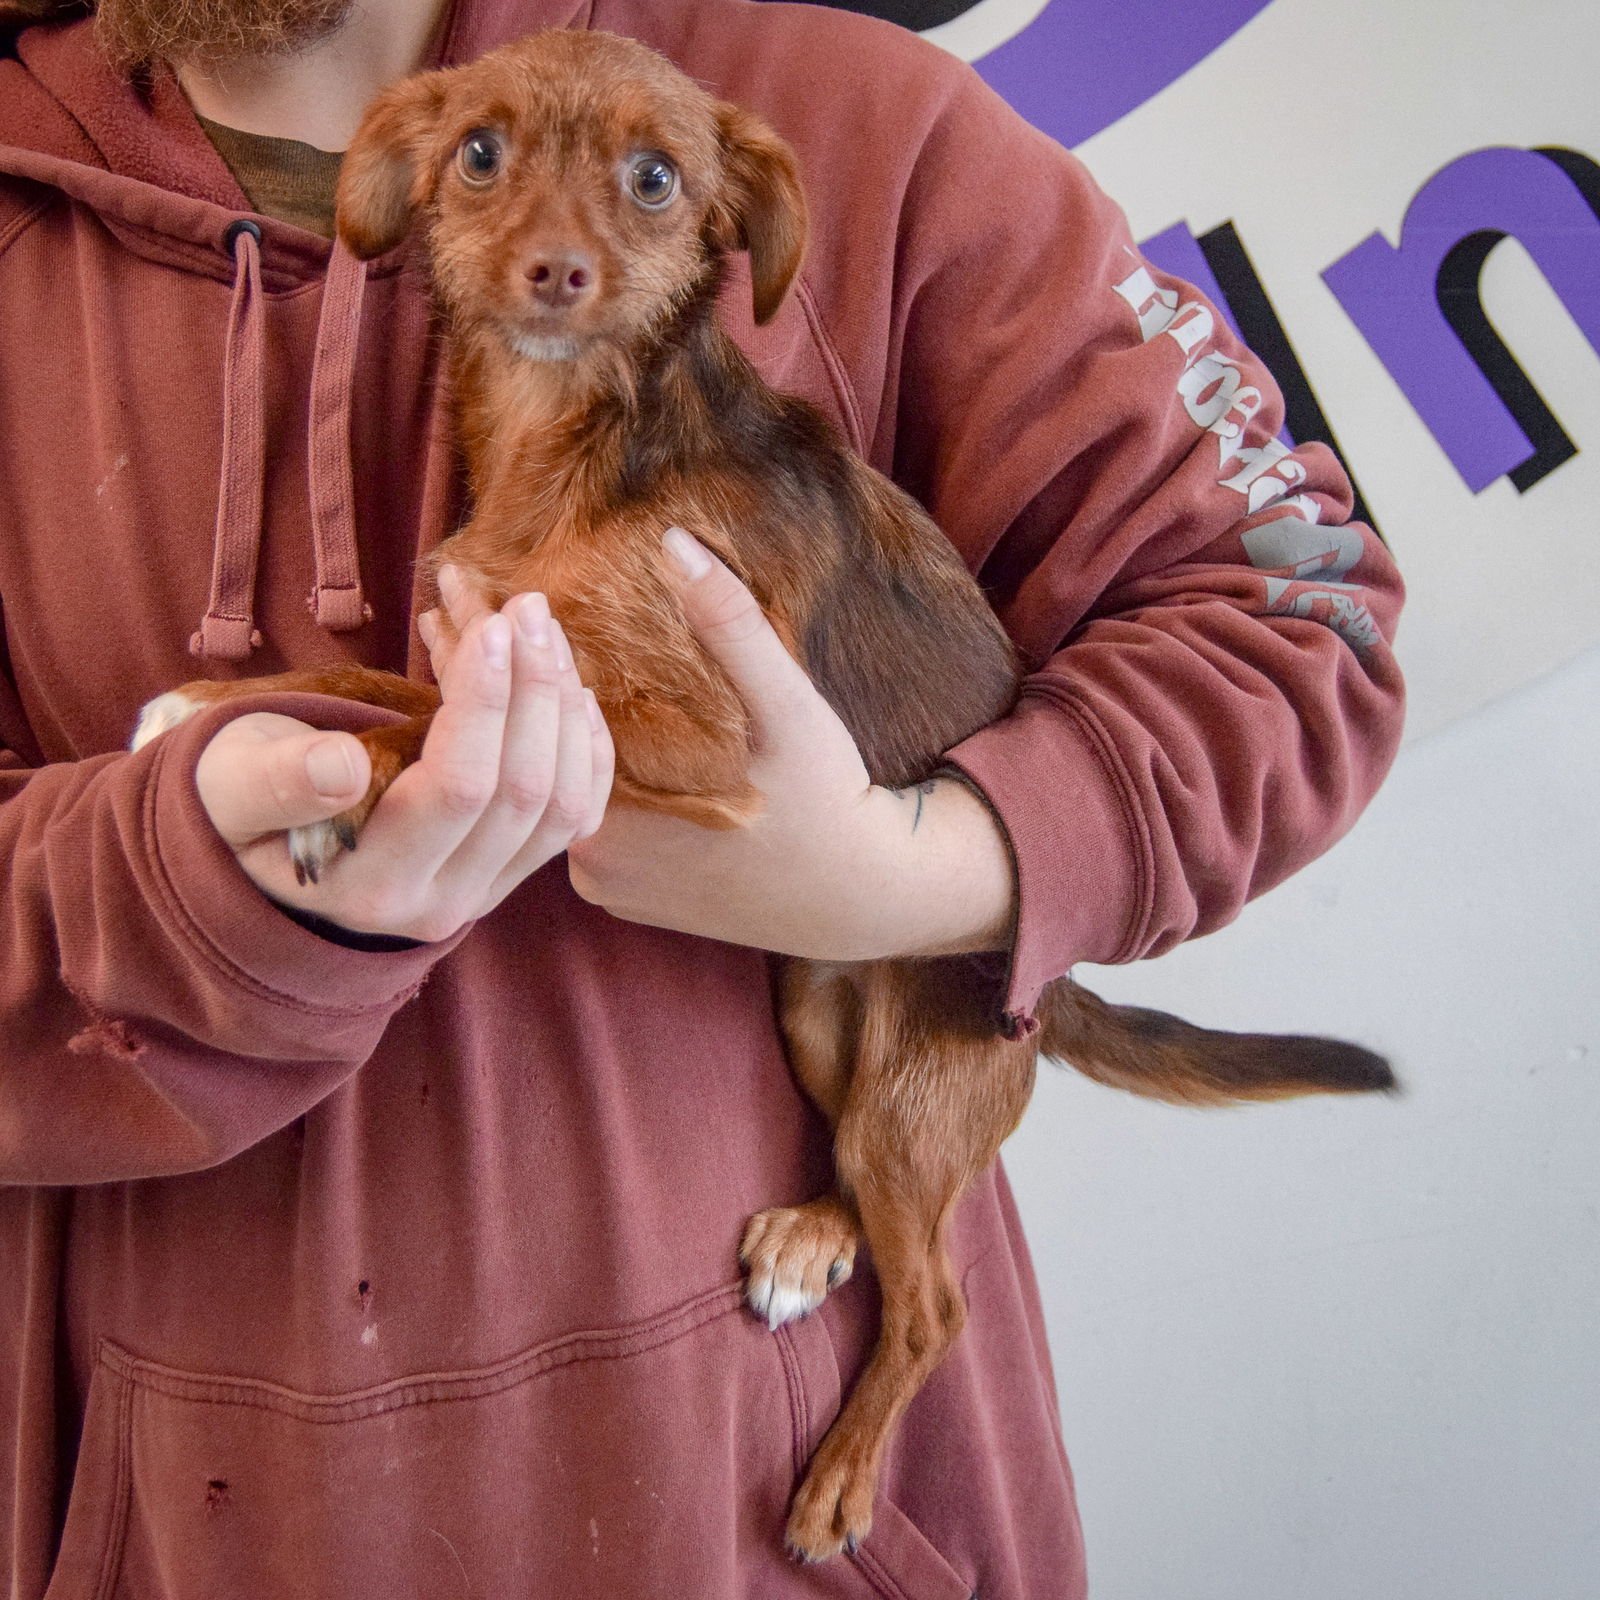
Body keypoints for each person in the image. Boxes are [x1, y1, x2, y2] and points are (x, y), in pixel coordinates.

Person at [0, 0, 1405, 1594]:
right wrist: (160, 886)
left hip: (779, 1527)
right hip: (215, 1534)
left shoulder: (863, 125)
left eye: (641, 192)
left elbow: (1297, 618)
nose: (558, 240)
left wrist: (920, 869)